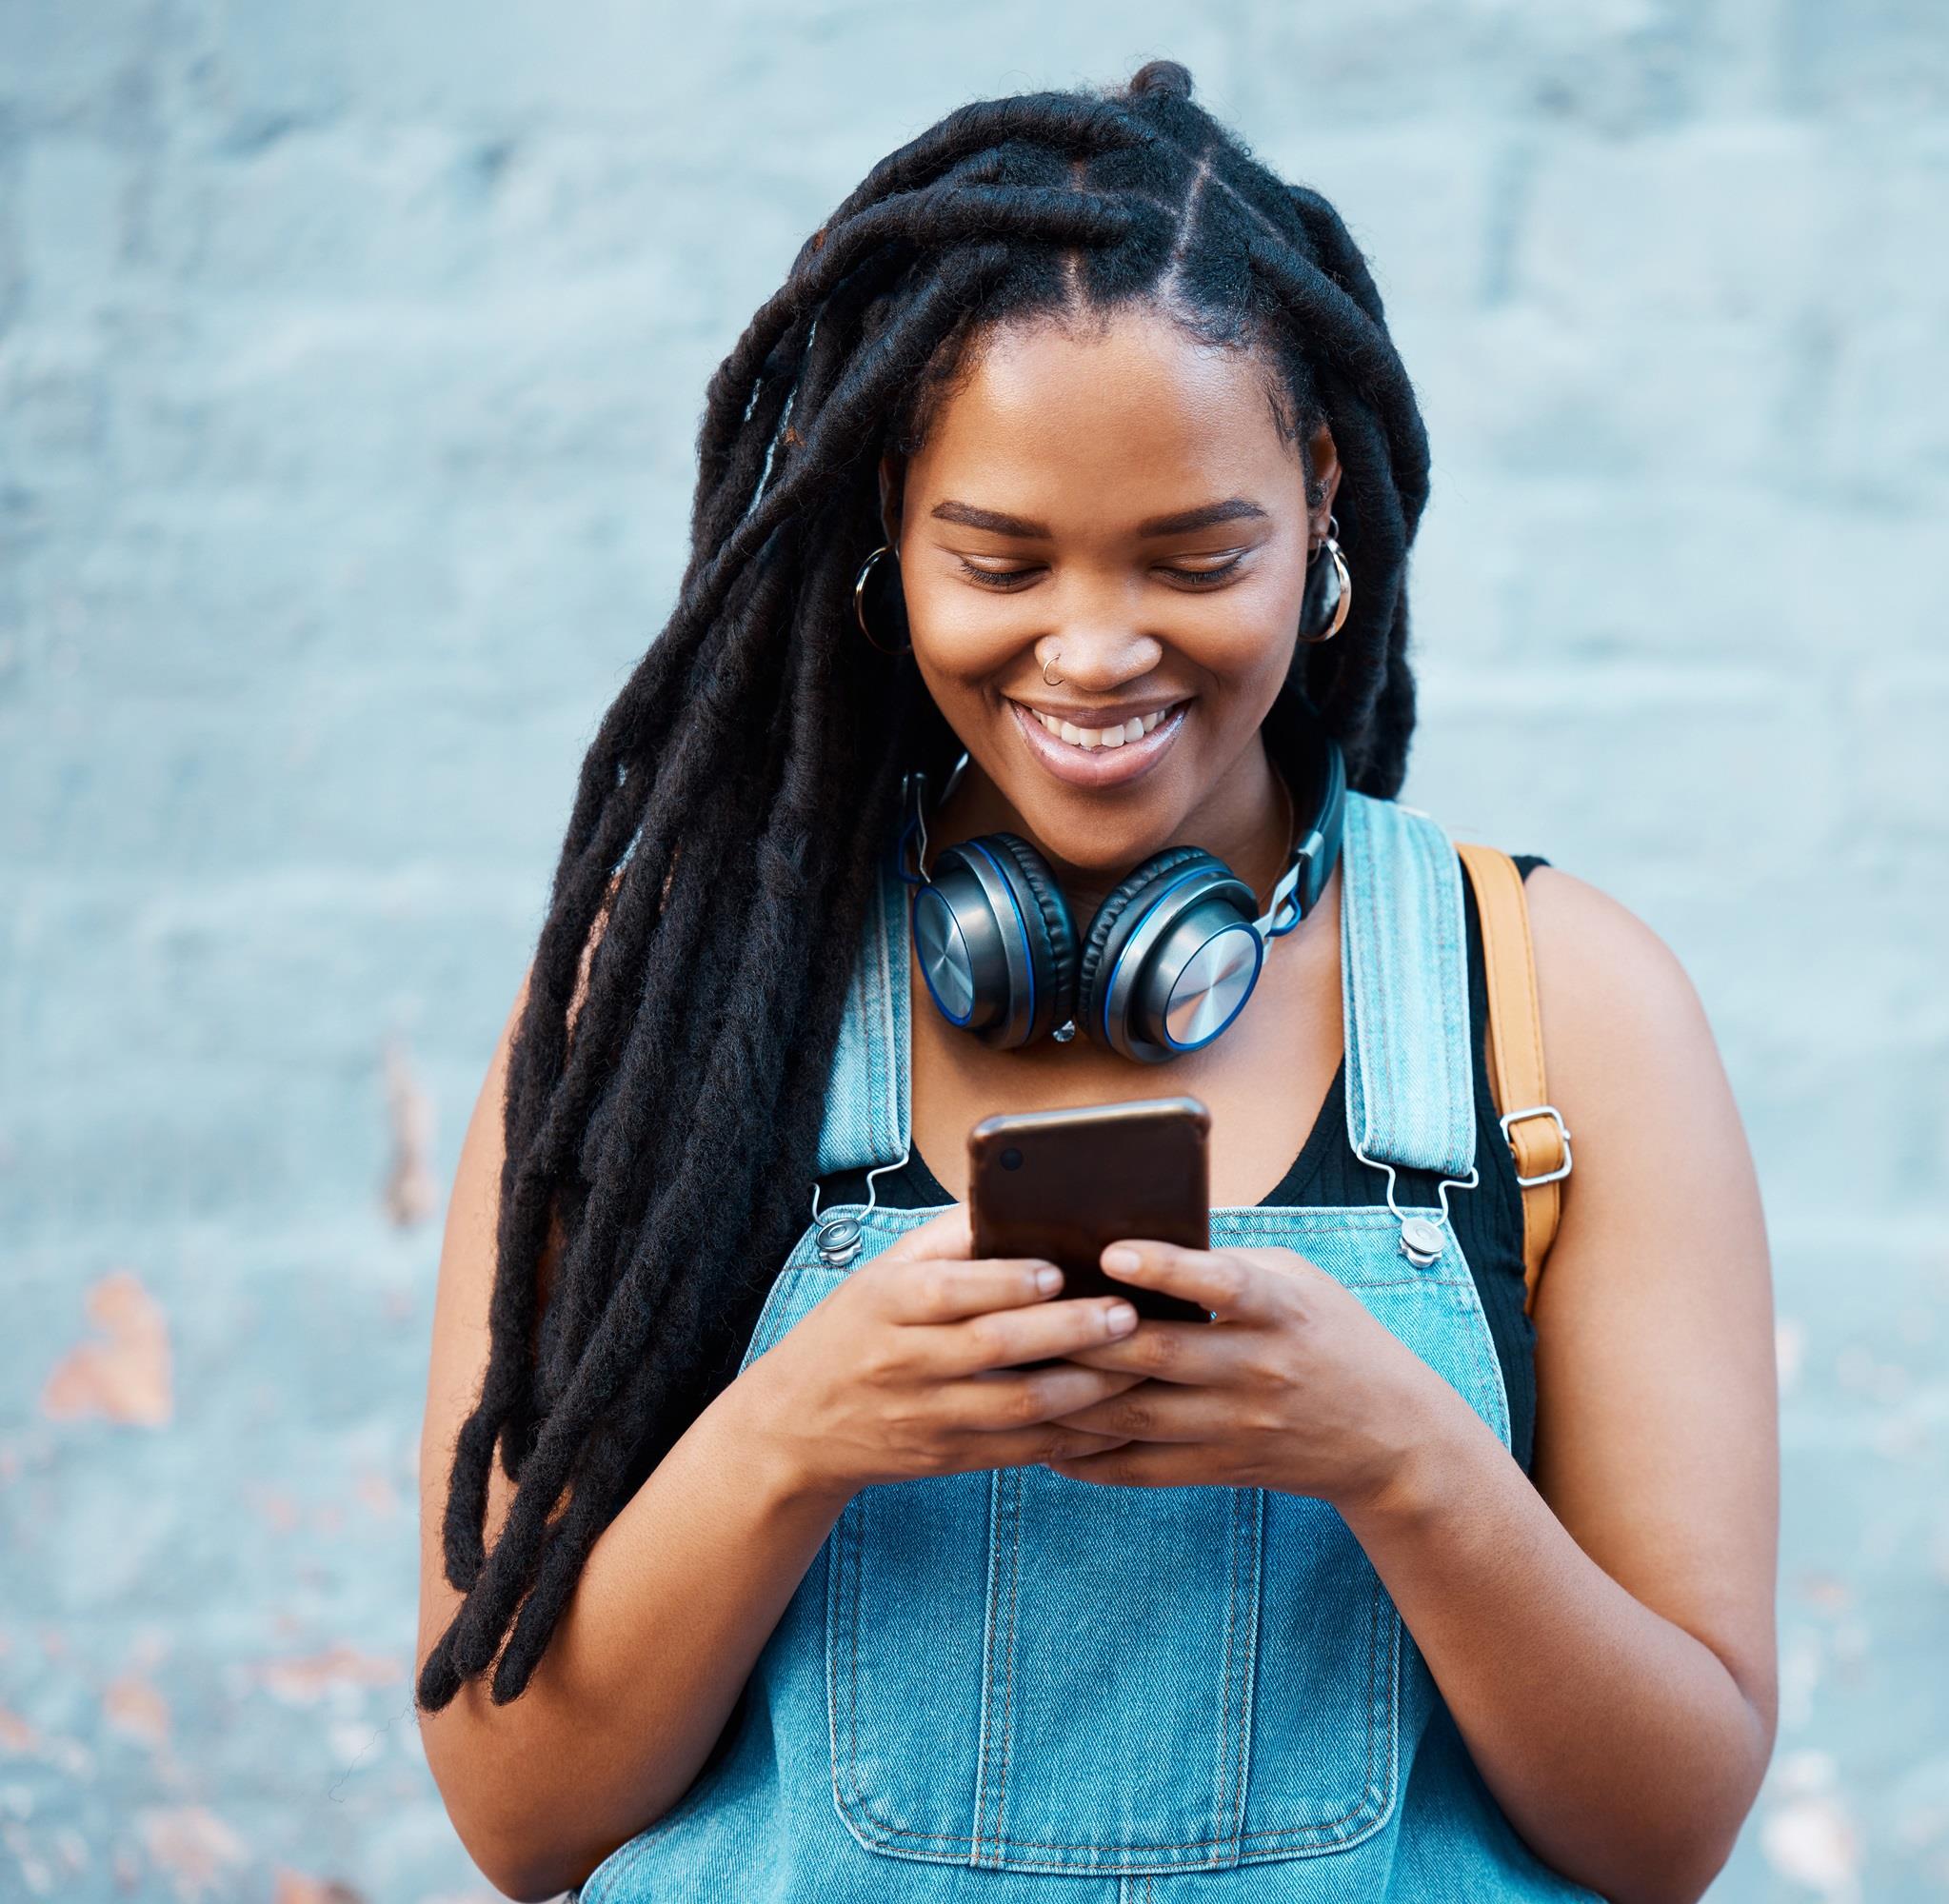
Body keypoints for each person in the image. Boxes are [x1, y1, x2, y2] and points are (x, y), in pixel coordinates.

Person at [411, 60, 1776, 1904]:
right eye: (1001, 559)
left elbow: (1669, 1832)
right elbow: (519, 1812)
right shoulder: (660, 1004)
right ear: (887, 527)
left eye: (1197, 556)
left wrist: (1409, 1469)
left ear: (1321, 505)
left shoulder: (1566, 1002)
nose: (1098, 648)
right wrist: (794, 1437)